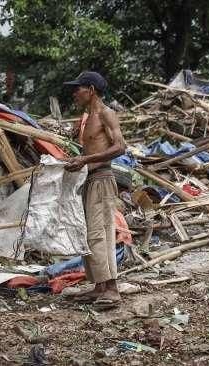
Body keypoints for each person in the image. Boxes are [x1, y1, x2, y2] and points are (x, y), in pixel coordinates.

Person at [62, 71, 126, 308]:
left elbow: (121, 147)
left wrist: (86, 161)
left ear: (91, 90)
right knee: (89, 234)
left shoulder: (106, 114)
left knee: (100, 233)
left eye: (78, 88)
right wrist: (75, 161)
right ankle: (99, 286)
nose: (74, 93)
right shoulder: (87, 117)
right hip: (90, 180)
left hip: (102, 179)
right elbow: (89, 151)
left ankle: (112, 289)